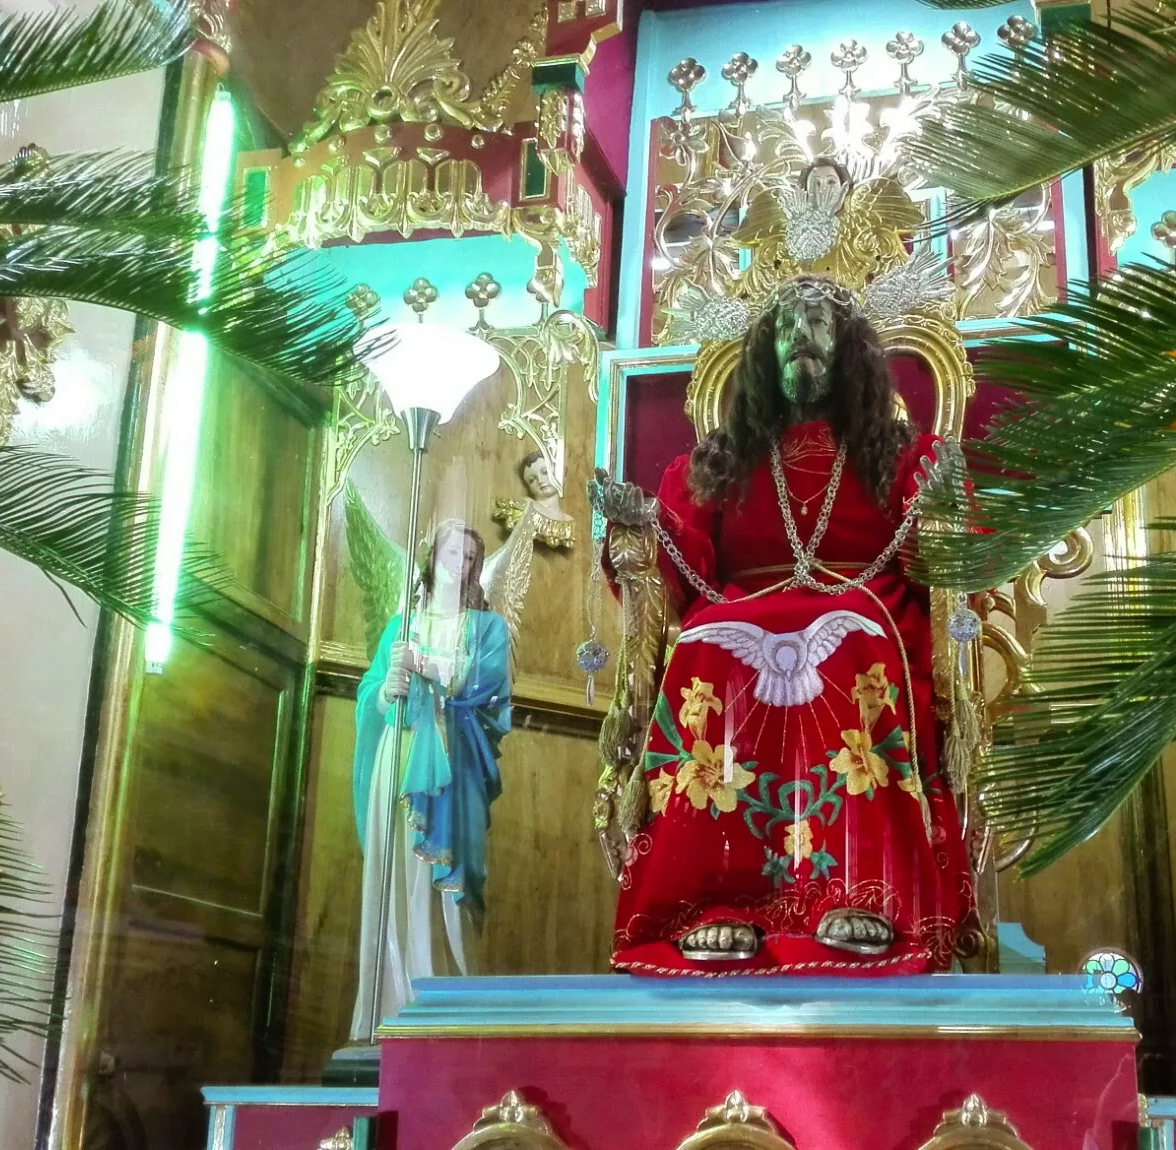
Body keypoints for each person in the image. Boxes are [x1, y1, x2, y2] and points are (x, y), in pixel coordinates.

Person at [592, 274, 975, 975]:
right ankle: (713, 902)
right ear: (762, 353)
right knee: (706, 643)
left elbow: (936, 561)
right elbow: (681, 562)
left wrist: (943, 509)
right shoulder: (718, 464)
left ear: (849, 347)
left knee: (848, 632)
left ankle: (861, 892)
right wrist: (641, 525)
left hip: (867, 614)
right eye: (787, 327)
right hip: (736, 620)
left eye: (820, 323)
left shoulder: (900, 455)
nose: (803, 336)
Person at [350, 519, 511, 1033]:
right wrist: (387, 691)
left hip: (451, 765)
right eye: (450, 552)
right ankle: (388, 1006)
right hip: (398, 759)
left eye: (469, 557)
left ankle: (443, 1009)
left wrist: (427, 665)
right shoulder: (401, 626)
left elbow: (487, 687)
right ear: (431, 557)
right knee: (395, 872)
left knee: (443, 884)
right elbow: (370, 693)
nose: (458, 564)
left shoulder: (487, 628)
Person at [482, 448, 575, 642]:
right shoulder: (524, 510)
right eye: (532, 480)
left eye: (545, 472)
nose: (540, 481)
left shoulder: (569, 522)